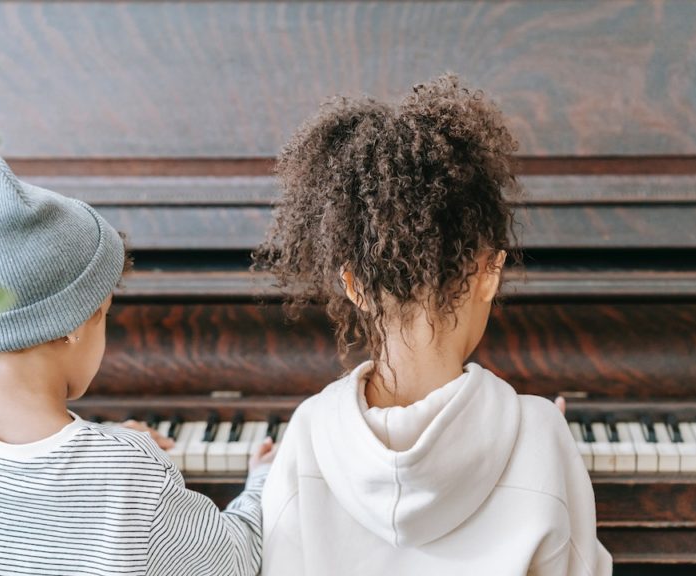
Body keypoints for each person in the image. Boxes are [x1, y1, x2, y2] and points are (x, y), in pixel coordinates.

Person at [254, 75, 611, 575]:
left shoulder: (308, 433)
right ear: (489, 271)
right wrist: (538, 445)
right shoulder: (540, 435)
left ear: (354, 284)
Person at [0, 137, 274, 576]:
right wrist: (265, 478)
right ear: (75, 324)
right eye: (105, 315)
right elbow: (236, 561)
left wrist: (101, 443)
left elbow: (24, 508)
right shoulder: (128, 470)